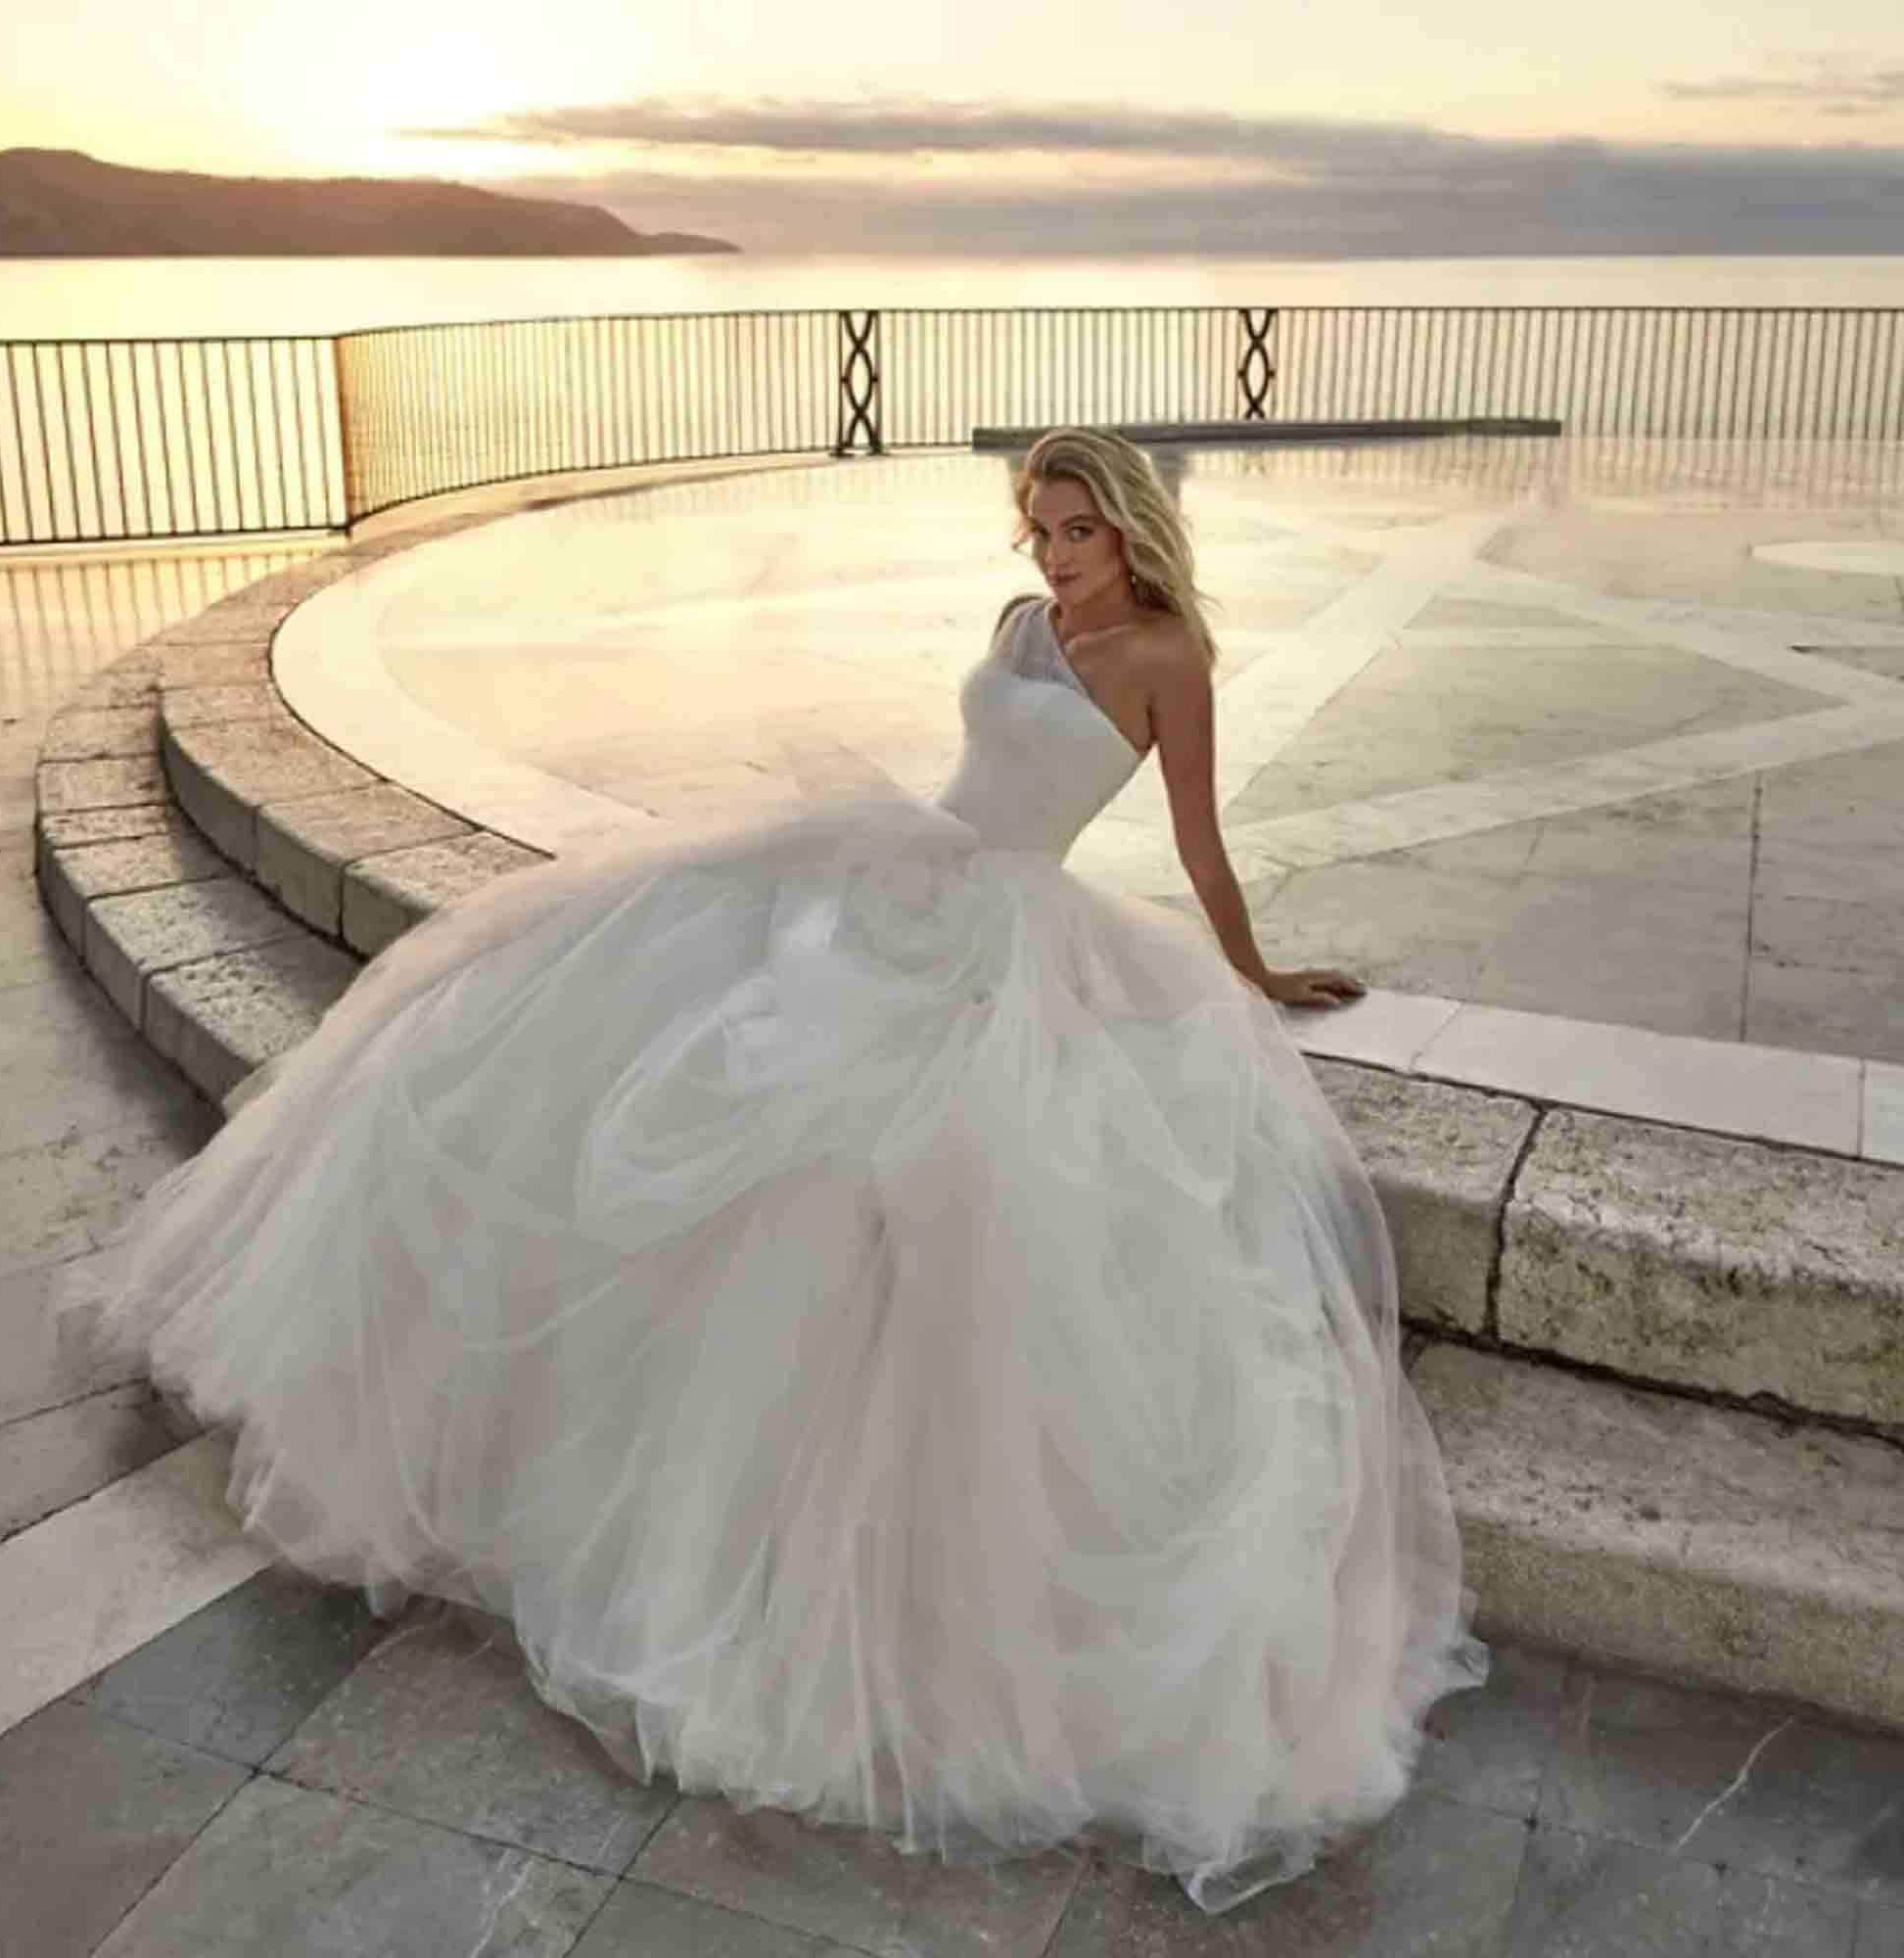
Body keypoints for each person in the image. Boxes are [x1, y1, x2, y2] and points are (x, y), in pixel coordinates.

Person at [82, 428, 1484, 1914]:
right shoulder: (1021, 623)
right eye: (1041, 527)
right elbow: (981, 770)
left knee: (891, 1164)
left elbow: (1198, 844)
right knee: (648, 1008)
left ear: (1131, 526)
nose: (1057, 555)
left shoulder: (1169, 658)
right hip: (910, 873)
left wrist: (1258, 971)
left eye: (1080, 530)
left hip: (1014, 941)